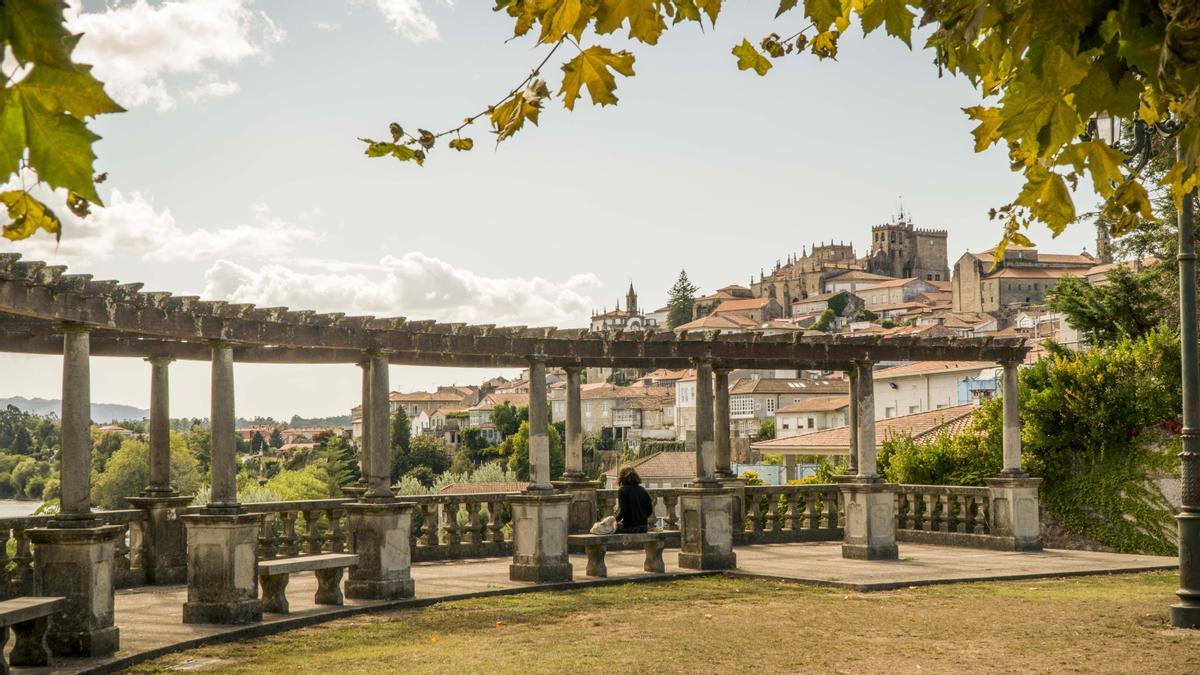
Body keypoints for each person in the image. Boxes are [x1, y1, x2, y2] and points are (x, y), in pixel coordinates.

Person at [616, 465, 654, 533]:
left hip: (630, 527)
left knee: (608, 530)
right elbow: (649, 509)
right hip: (644, 527)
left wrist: (614, 520)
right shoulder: (642, 490)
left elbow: (624, 511)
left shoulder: (622, 490)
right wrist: (642, 518)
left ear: (622, 478)